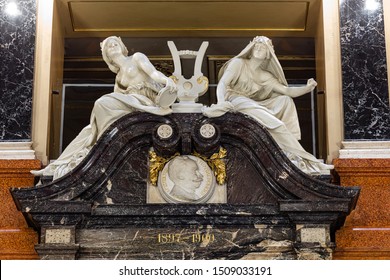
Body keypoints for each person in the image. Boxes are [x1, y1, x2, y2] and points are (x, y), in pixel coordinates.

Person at [32, 36, 177, 180]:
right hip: (131, 103)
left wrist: (167, 81)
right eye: (109, 46)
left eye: (115, 43)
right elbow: (117, 97)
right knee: (88, 130)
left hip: (144, 101)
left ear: (122, 47)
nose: (113, 46)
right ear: (106, 55)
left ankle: (104, 143)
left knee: (102, 103)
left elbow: (153, 73)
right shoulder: (119, 77)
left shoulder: (137, 58)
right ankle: (56, 165)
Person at [202, 36, 333, 174]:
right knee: (278, 125)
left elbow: (287, 91)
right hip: (236, 100)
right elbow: (223, 83)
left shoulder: (265, 76)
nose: (259, 48)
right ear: (251, 50)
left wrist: (307, 89)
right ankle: (310, 160)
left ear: (268, 54)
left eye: (263, 47)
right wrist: (221, 102)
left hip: (253, 103)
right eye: (256, 46)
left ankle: (297, 155)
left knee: (285, 100)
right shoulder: (238, 63)